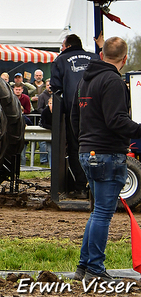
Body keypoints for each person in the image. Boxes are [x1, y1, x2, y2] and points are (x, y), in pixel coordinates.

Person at [70, 36, 141, 283]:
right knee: (102, 214)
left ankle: (83, 267)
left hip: (87, 151)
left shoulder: (84, 81)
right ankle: (96, 271)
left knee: (96, 212)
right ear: (125, 58)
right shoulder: (113, 81)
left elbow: (74, 118)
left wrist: (84, 141)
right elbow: (116, 121)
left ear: (101, 55)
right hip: (107, 153)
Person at [51, 34, 99, 198]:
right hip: (97, 109)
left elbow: (56, 87)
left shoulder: (60, 59)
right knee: (96, 145)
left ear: (68, 45)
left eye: (62, 45)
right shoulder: (95, 57)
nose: (61, 48)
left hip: (75, 110)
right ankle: (96, 187)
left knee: (76, 147)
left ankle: (80, 187)